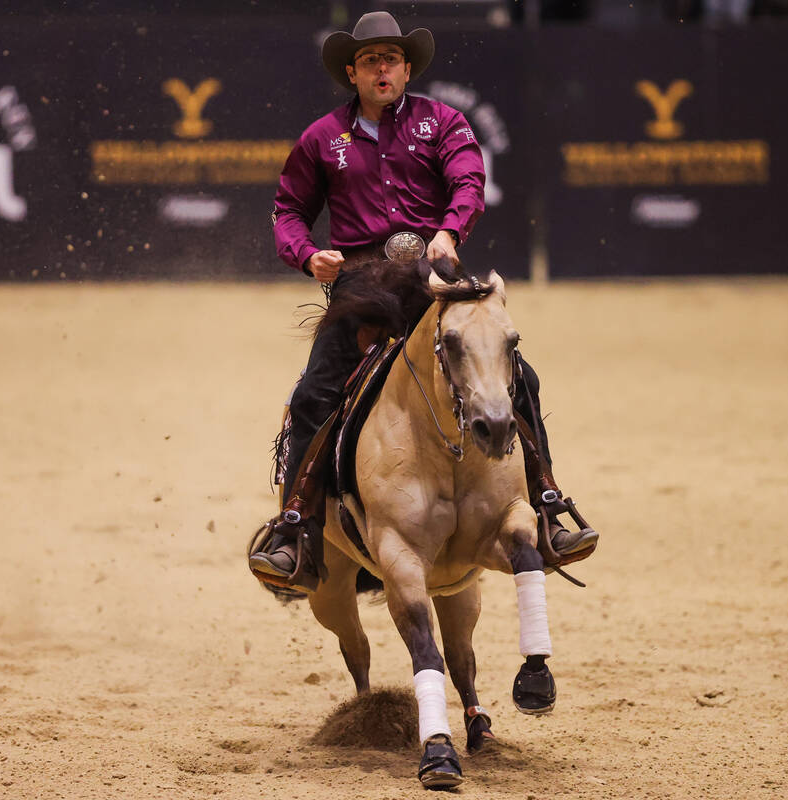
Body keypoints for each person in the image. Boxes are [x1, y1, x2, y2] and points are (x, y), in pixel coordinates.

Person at [249, 11, 595, 588]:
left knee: (521, 378)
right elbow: (288, 211)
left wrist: (450, 231)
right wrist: (309, 255)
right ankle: (296, 532)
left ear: (407, 68)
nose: (381, 69)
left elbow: (468, 181)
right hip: (361, 288)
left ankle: (550, 505)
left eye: (390, 59)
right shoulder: (320, 139)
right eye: (369, 61)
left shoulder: (445, 122)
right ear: (352, 74)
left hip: (436, 281)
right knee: (314, 393)